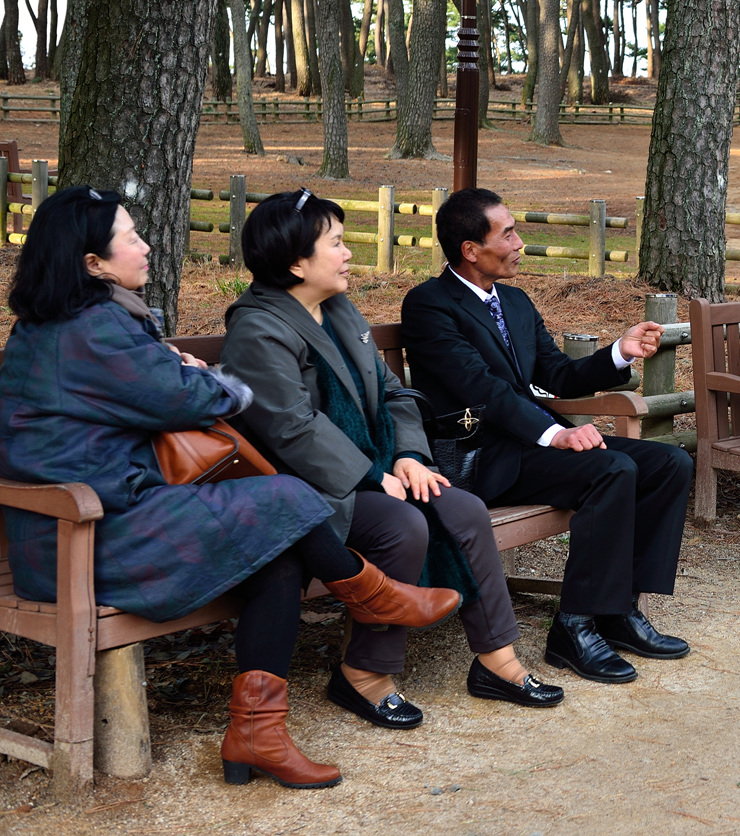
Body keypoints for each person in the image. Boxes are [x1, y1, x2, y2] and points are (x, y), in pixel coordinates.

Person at [0, 187, 458, 790]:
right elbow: (189, 398)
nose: (146, 245)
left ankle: (257, 735)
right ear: (93, 264)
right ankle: (370, 593)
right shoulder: (93, 328)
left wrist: (177, 370)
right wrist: (202, 376)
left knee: (280, 555)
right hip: (83, 537)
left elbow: (150, 390)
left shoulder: (70, 322)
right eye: (131, 237)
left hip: (106, 519)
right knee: (289, 497)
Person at [222, 190, 564, 728]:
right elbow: (292, 428)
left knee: (464, 509)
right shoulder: (258, 328)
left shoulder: (338, 309)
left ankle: (497, 661)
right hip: (307, 488)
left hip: (377, 465)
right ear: (296, 263)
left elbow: (396, 393)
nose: (348, 254)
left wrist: (407, 455)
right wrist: (370, 474)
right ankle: (364, 674)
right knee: (402, 525)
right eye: (336, 244)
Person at [400, 188, 693, 685]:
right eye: (508, 233)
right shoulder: (430, 305)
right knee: (611, 468)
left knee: (669, 464)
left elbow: (556, 374)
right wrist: (554, 434)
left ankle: (619, 611)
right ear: (470, 250)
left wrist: (618, 353)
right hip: (477, 458)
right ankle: (574, 627)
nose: (520, 243)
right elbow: (481, 388)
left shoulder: (514, 301)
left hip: (525, 447)